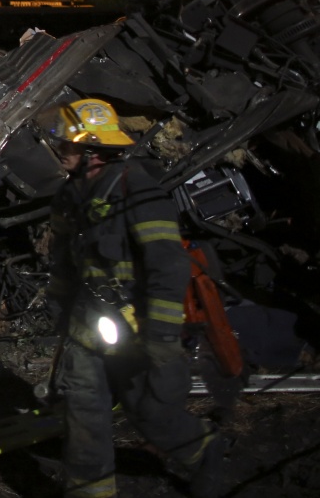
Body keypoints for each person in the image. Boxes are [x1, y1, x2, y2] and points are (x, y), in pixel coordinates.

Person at [45, 98, 223, 498]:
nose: (60, 150)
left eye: (67, 144)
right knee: (83, 418)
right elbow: (62, 260)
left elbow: (169, 265)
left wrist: (160, 335)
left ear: (91, 150)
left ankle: (204, 448)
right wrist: (58, 307)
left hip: (139, 328)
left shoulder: (138, 189)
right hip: (87, 326)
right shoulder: (68, 196)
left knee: (151, 413)